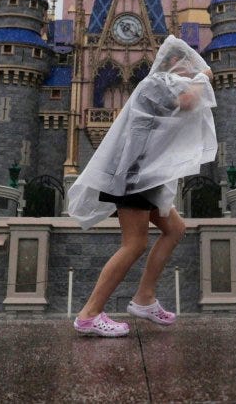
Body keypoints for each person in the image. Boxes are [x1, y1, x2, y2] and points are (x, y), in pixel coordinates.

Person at [67, 35, 216, 337]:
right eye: (189, 66)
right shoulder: (157, 82)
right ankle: (89, 315)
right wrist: (203, 77)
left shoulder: (161, 84)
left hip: (146, 175)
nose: (191, 72)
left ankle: (144, 298)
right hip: (134, 174)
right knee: (133, 244)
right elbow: (188, 102)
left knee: (175, 229)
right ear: (175, 63)